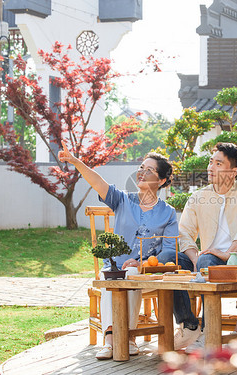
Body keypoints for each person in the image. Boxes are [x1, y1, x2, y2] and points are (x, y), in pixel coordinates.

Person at [58, 142, 178, 360]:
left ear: (161, 181)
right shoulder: (123, 199)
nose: (141, 172)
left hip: (145, 270)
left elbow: (169, 249)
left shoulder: (168, 213)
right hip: (113, 265)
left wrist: (142, 263)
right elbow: (98, 182)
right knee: (110, 277)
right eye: (141, 167)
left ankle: (130, 337)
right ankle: (112, 339)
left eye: (149, 170)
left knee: (131, 274)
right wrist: (75, 161)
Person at [158, 142, 237, 352]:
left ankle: (208, 332)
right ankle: (189, 324)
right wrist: (195, 258)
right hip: (205, 258)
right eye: (210, 162)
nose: (210, 167)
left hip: (236, 259)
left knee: (207, 261)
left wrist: (227, 252)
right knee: (167, 256)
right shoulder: (198, 196)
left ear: (234, 171)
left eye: (218, 163)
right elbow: (185, 231)